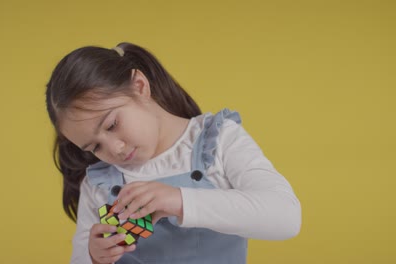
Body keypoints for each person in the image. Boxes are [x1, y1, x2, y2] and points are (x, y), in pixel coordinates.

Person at [45, 42, 301, 264]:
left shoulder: (219, 140)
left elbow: (286, 217)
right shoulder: (100, 183)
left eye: (112, 125)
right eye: (94, 147)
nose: (114, 149)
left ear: (139, 86)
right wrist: (94, 256)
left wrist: (179, 201)